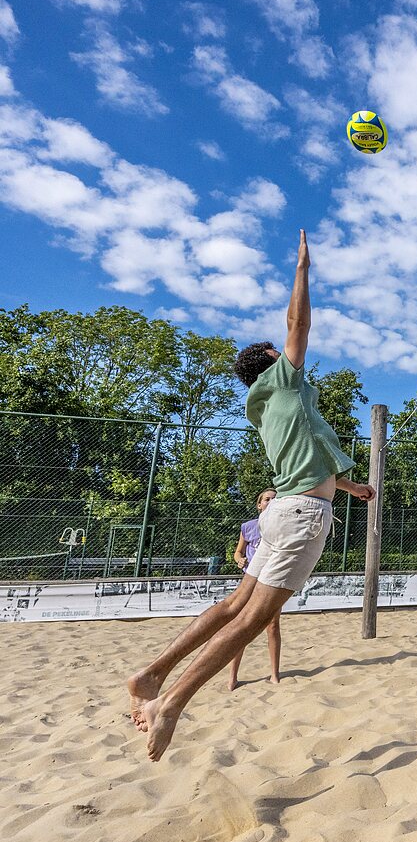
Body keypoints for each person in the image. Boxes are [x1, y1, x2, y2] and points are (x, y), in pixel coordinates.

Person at [127, 229, 376, 761]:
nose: (289, 350)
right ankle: (169, 704)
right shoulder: (284, 383)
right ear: (270, 359)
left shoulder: (271, 406)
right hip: (303, 515)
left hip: (286, 510)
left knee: (232, 607)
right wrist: (303, 269)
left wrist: (353, 487)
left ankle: (151, 673)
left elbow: (314, 460)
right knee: (251, 620)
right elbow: (297, 323)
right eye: (278, 349)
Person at [227, 488, 279, 690]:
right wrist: (239, 559)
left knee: (273, 626)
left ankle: (275, 675)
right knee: (241, 626)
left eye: (275, 499)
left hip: (273, 581)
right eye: (267, 499)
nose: (271, 502)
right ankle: (232, 677)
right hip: (250, 581)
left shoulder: (282, 528)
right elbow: (237, 552)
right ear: (259, 505)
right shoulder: (249, 527)